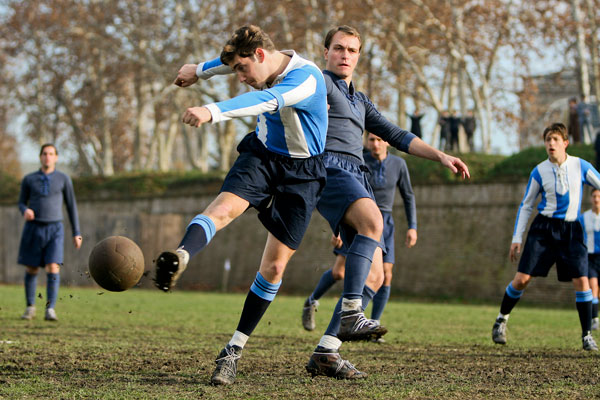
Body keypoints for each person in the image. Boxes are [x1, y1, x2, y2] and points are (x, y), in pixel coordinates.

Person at [155, 25, 328, 386]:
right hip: (262, 157)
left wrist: (211, 109)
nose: (240, 78)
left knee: (275, 267)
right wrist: (199, 69)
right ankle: (183, 255)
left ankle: (233, 348)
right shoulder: (261, 61)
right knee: (222, 209)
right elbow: (234, 61)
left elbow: (264, 101)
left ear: (261, 56)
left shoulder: (305, 80)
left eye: (243, 71)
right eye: (236, 70)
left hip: (303, 175)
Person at [303, 26, 468, 380]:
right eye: (338, 48)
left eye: (352, 50)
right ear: (326, 52)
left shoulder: (360, 100)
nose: (345, 55)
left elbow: (398, 134)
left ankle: (326, 352)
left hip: (354, 175)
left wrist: (441, 156)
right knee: (374, 222)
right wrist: (208, 68)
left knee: (376, 276)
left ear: (359, 56)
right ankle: (350, 314)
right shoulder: (318, 82)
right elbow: (276, 64)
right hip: (330, 168)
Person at [491, 122, 600, 351]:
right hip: (543, 230)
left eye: (555, 140)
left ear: (565, 143)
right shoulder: (539, 171)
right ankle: (501, 320)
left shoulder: (581, 166)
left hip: (571, 230)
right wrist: (516, 238)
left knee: (582, 281)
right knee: (522, 279)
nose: (551, 144)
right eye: (548, 140)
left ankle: (587, 335)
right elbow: (526, 205)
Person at [302, 132, 417, 338]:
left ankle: (373, 324)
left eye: (380, 139)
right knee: (339, 273)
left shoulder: (399, 164)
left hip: (385, 223)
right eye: (371, 139)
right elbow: (340, 191)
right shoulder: (358, 160)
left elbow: (408, 196)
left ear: (387, 142)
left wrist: (412, 226)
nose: (375, 143)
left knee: (384, 275)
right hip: (356, 218)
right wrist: (336, 224)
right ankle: (312, 301)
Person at [18, 143, 82, 321]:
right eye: (45, 154)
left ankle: (50, 309)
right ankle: (30, 306)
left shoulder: (63, 179)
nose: (48, 157)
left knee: (53, 266)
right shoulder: (29, 179)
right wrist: (25, 210)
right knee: (31, 268)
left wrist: (76, 232)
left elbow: (71, 207)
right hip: (33, 228)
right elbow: (21, 202)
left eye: (51, 154)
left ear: (56, 157)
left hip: (55, 228)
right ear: (40, 157)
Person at [581, 189, 600, 331]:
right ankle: (595, 320)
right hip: (590, 257)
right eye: (594, 196)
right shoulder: (584, 217)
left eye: (599, 196)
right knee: (593, 286)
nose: (596, 199)